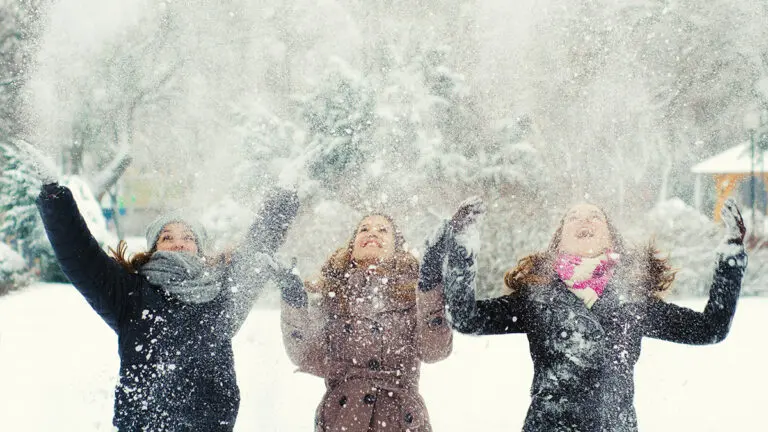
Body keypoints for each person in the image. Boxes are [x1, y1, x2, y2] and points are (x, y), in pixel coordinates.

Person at [425, 197, 747, 432]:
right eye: (573, 217)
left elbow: (710, 328)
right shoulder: (535, 298)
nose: (584, 220)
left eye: (595, 216)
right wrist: (462, 249)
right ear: (559, 241)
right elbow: (467, 318)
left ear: (611, 237)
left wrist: (732, 253)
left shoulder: (634, 301)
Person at [36, 179, 299, 432]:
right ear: (153, 248)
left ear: (199, 248)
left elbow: (260, 242)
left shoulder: (222, 293)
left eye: (188, 237)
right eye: (167, 237)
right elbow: (81, 257)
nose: (179, 242)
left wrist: (288, 191)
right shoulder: (130, 292)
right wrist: (54, 198)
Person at [279, 214, 453, 432]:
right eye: (364, 229)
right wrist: (293, 304)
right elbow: (307, 355)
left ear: (397, 249)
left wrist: (430, 291)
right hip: (343, 419)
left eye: (383, 230)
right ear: (351, 248)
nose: (372, 233)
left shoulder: (414, 294)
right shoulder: (331, 295)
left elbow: (434, 351)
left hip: (398, 418)